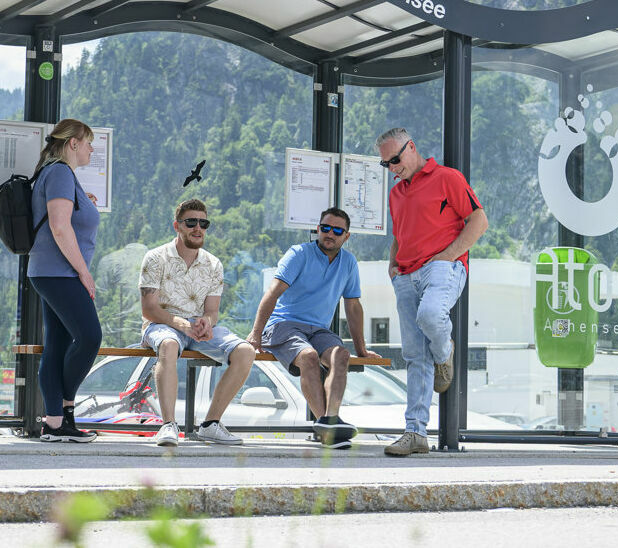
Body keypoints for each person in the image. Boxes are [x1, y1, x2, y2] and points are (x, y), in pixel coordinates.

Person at [375, 128, 488, 458]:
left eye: (396, 159)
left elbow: (479, 220)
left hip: (442, 266)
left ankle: (445, 352)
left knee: (430, 316)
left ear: (412, 147)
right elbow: (400, 233)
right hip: (406, 275)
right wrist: (392, 265)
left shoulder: (447, 178)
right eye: (386, 164)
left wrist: (450, 256)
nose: (393, 168)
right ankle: (416, 432)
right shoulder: (396, 195)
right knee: (413, 355)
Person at [246, 208, 380, 449]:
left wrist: (362, 350)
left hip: (318, 330)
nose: (330, 233)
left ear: (346, 236)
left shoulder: (348, 262)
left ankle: (330, 420)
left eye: (337, 230)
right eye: (324, 228)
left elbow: (353, 306)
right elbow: (273, 293)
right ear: (317, 229)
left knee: (341, 354)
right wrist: (256, 334)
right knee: (307, 356)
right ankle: (327, 429)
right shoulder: (299, 254)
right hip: (283, 325)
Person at [137, 199, 253, 446]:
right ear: (177, 226)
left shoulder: (213, 264)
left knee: (245, 351)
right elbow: (149, 309)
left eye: (203, 223)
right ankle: (168, 425)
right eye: (191, 222)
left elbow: (212, 311)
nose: (198, 228)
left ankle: (211, 424)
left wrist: (206, 322)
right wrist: (181, 324)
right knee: (168, 345)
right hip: (162, 324)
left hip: (195, 329)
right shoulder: (155, 258)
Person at [30, 119, 102, 443]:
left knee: (57, 345)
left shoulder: (58, 174)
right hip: (60, 273)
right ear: (73, 142)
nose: (91, 149)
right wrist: (84, 273)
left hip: (50, 272)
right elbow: (60, 227)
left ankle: (56, 423)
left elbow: (62, 217)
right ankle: (65, 408)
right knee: (89, 337)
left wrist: (82, 201)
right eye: (88, 142)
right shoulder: (59, 172)